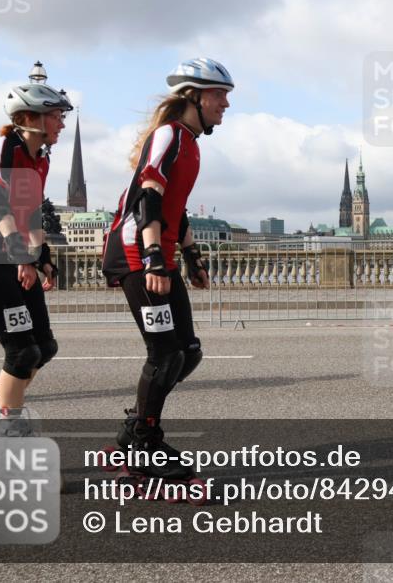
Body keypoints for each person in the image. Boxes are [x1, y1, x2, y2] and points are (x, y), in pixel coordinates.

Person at [102, 57, 230, 478]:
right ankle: (145, 444)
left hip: (159, 253)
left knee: (187, 352)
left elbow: (177, 209)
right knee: (164, 353)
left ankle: (134, 429)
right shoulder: (169, 135)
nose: (225, 104)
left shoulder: (190, 142)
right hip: (137, 253)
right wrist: (156, 256)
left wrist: (192, 258)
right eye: (219, 95)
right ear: (193, 96)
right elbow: (148, 195)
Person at [0, 74, 71, 435]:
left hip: (16, 260)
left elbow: (31, 210)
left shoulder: (40, 158)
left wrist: (42, 257)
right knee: (22, 353)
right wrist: (19, 256)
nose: (62, 123)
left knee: (44, 346)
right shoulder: (3, 146)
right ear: (30, 118)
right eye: (56, 115)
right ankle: (8, 430)